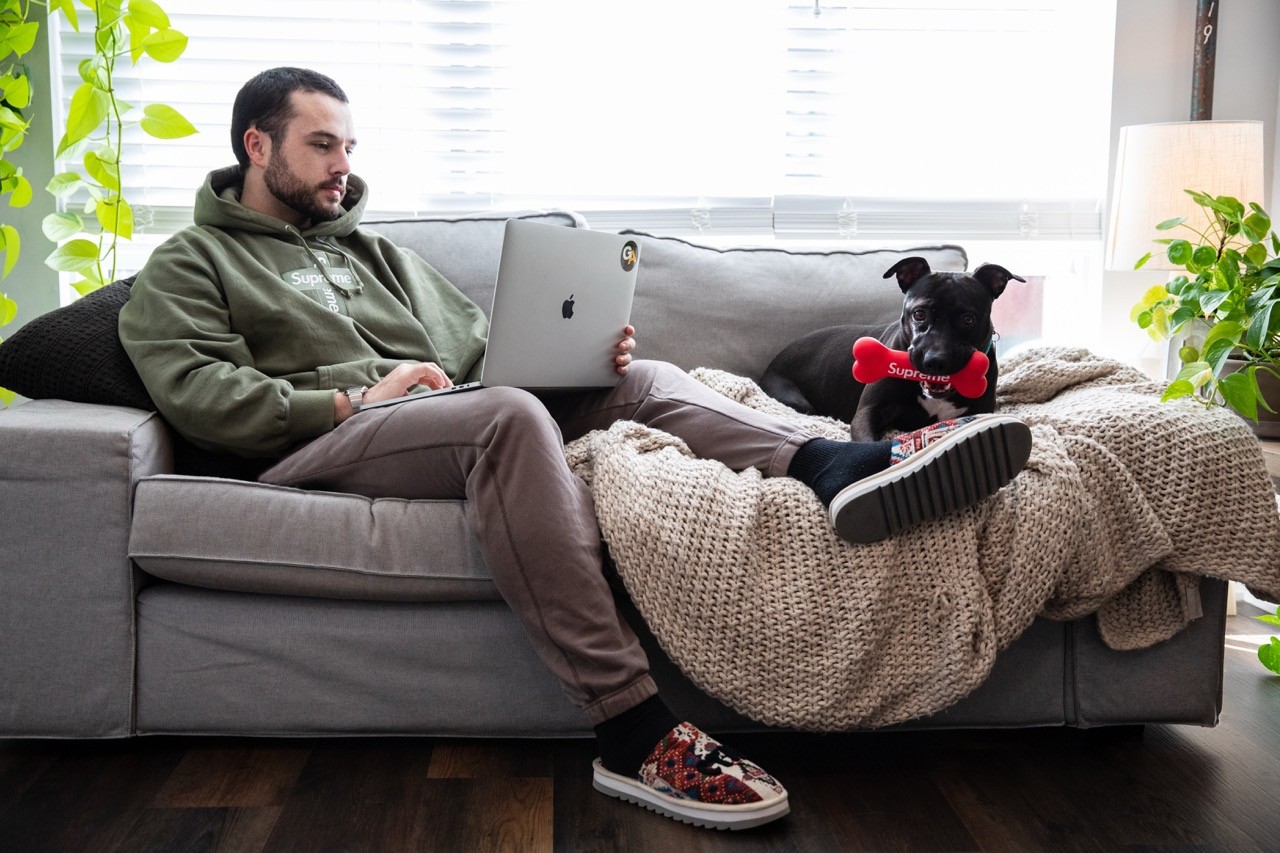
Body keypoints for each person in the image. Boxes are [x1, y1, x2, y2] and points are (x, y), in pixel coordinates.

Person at [119, 67, 1031, 831]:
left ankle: (833, 463)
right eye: (323, 145)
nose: (344, 166)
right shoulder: (190, 262)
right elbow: (197, 393)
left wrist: (577, 356)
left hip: (441, 415)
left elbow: (481, 353)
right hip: (319, 439)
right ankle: (631, 729)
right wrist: (356, 396)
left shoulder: (375, 255)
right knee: (510, 416)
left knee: (639, 379)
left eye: (350, 145)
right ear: (257, 146)